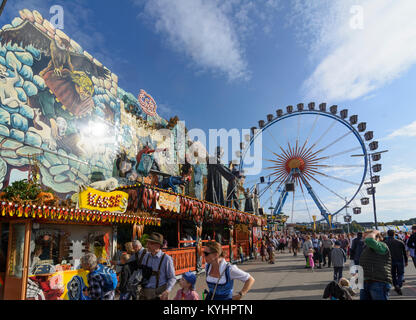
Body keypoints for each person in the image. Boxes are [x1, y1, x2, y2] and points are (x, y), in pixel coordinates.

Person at [139, 233, 176, 300]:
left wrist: (167, 291)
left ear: (158, 245)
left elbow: (172, 278)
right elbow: (141, 272)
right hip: (145, 293)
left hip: (158, 294)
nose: (147, 245)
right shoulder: (146, 256)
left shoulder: (166, 259)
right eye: (147, 243)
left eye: (150, 243)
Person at [359, 230, 392, 300]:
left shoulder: (382, 246)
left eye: (366, 236)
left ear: (376, 237)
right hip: (367, 281)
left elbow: (369, 240)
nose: (364, 238)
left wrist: (374, 232)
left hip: (378, 282)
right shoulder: (366, 248)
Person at [384, 229, 408, 295]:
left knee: (393, 275)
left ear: (387, 234)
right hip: (399, 259)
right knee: (400, 274)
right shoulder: (400, 242)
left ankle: (396, 285)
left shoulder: (385, 243)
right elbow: (404, 253)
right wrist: (406, 261)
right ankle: (398, 285)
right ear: (394, 234)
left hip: (390, 261)